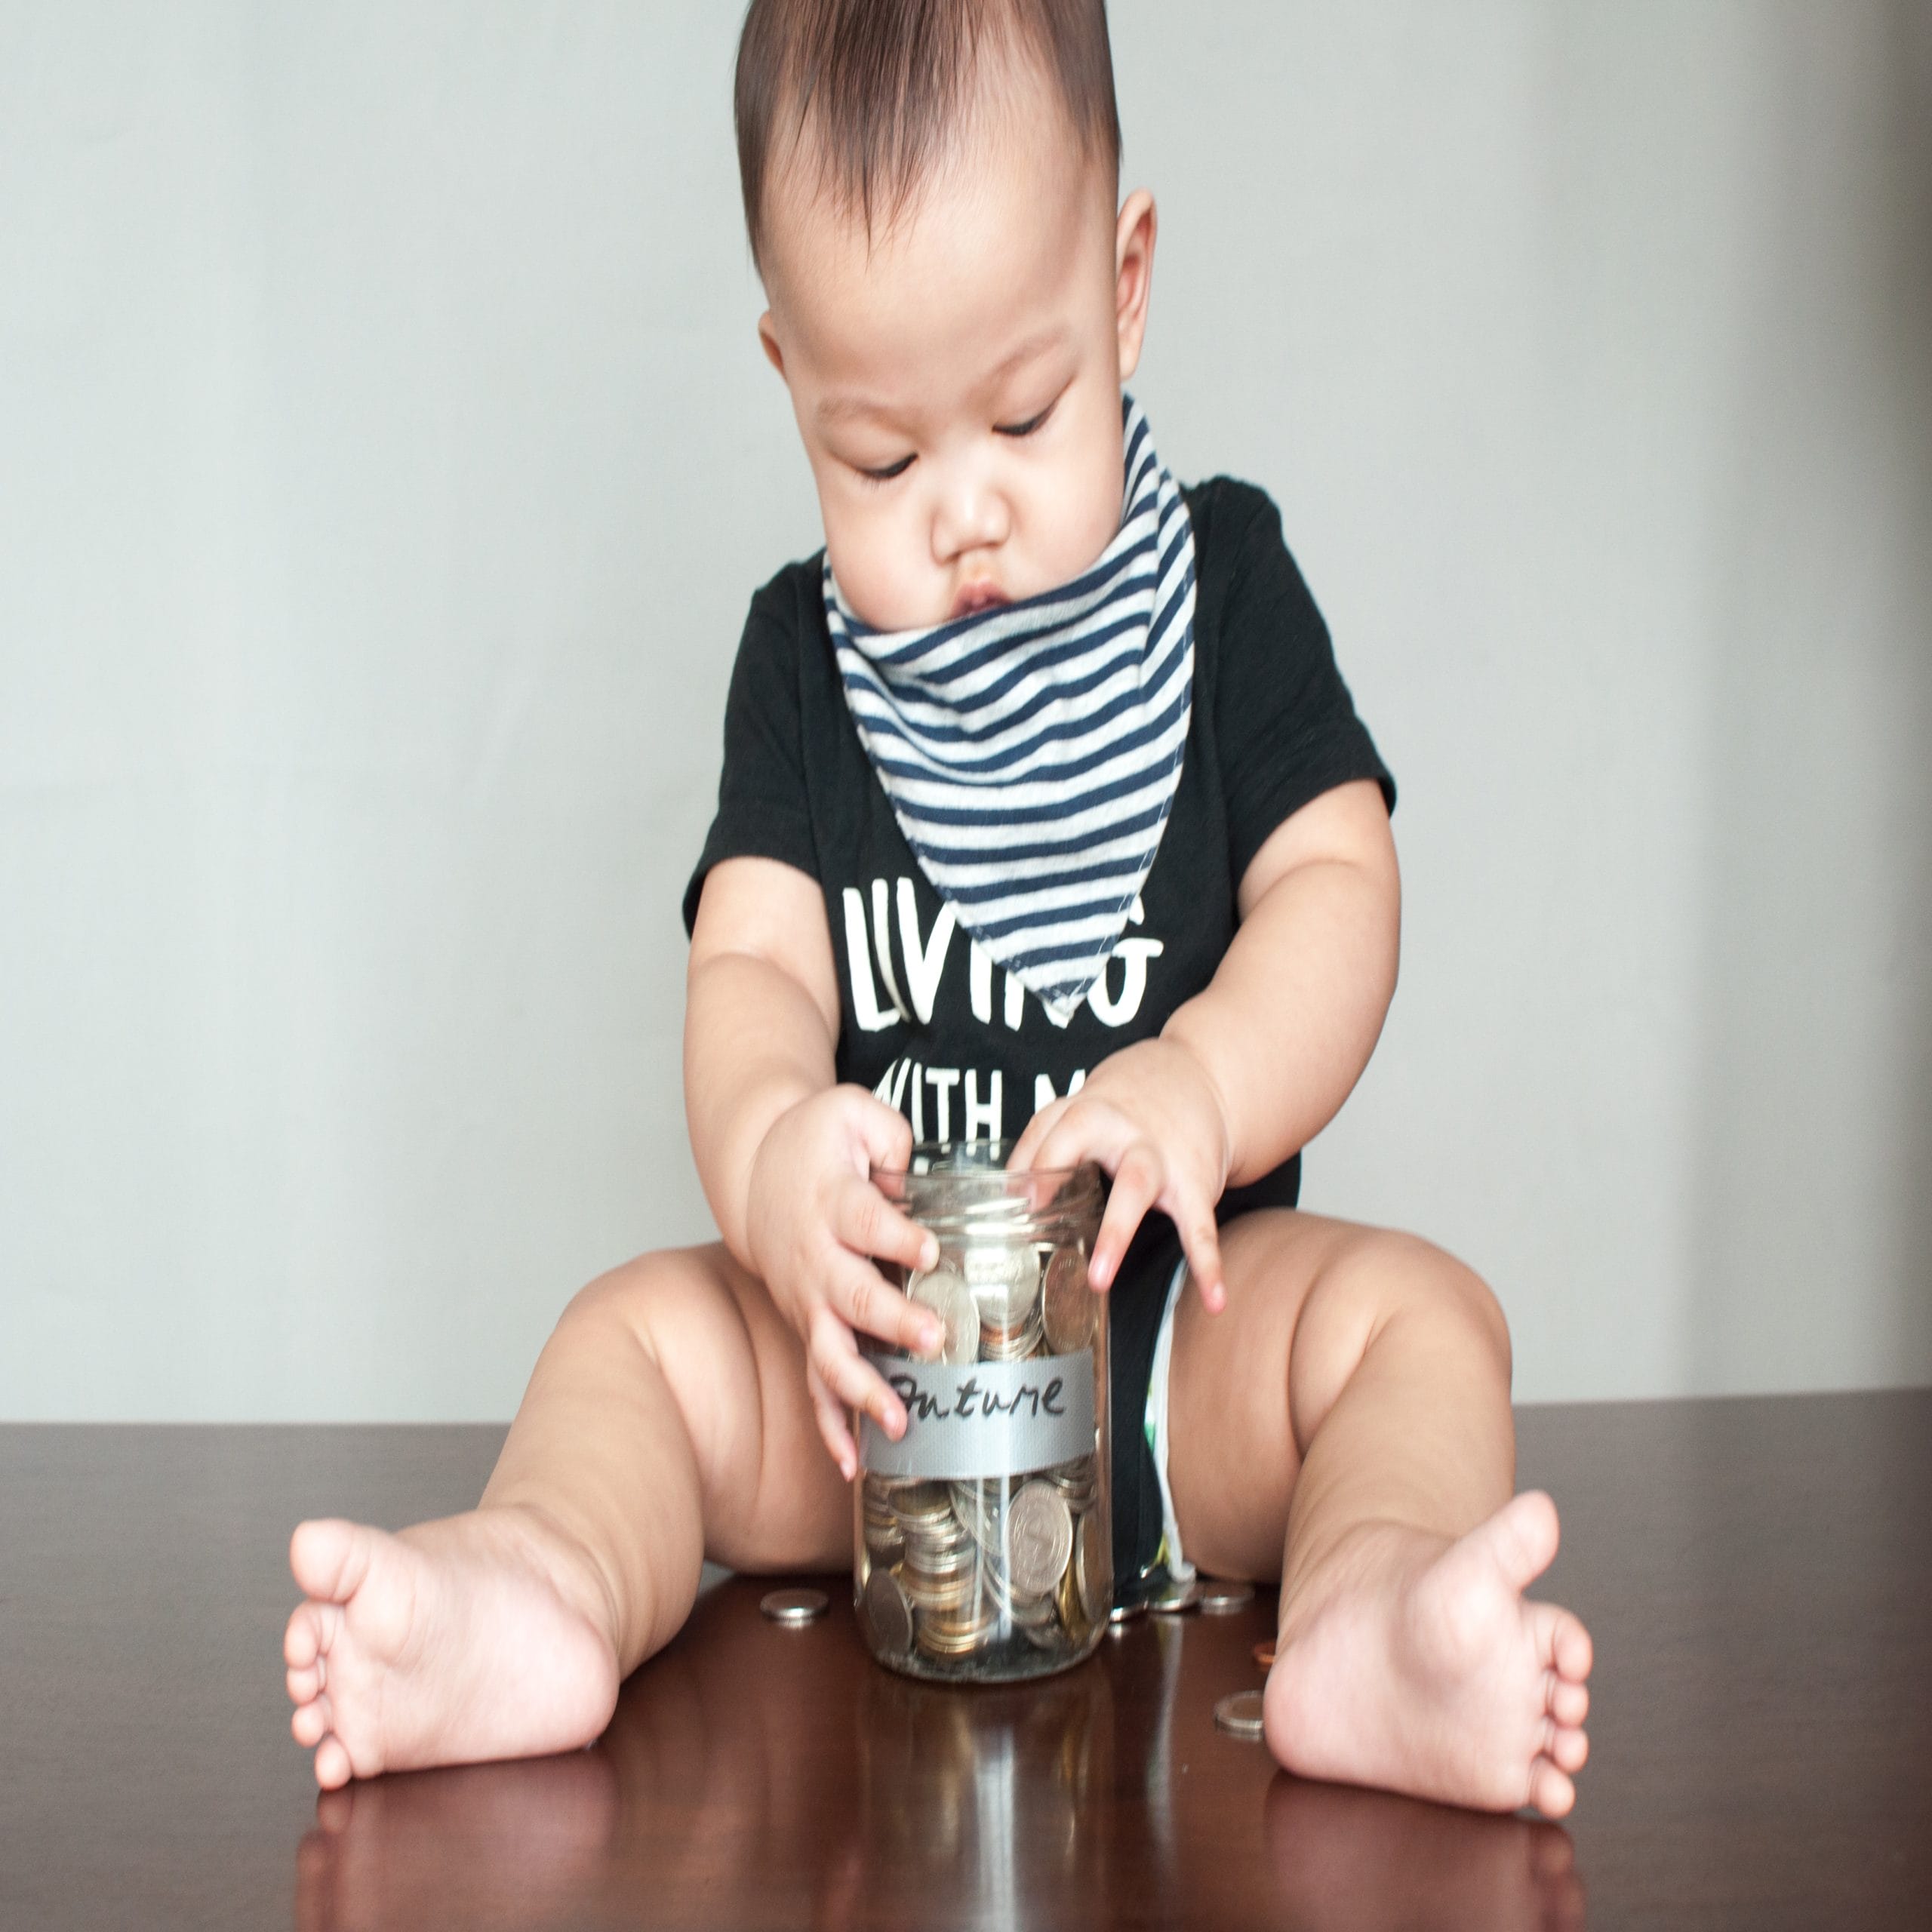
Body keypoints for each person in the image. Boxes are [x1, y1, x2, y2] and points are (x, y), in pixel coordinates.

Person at [284, 0, 1593, 1817]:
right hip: (875, 1398)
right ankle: (541, 1587)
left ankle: (1367, 1623)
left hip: (1165, 1358)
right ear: (788, 381)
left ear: (1123, 286)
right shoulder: (800, 666)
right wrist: (768, 1167)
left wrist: (1198, 1083)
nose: (962, 512)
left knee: (1418, 1322)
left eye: (1025, 412)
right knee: (626, 1339)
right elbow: (746, 959)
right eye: (879, 460)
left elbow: (1336, 881)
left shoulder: (1220, 587)